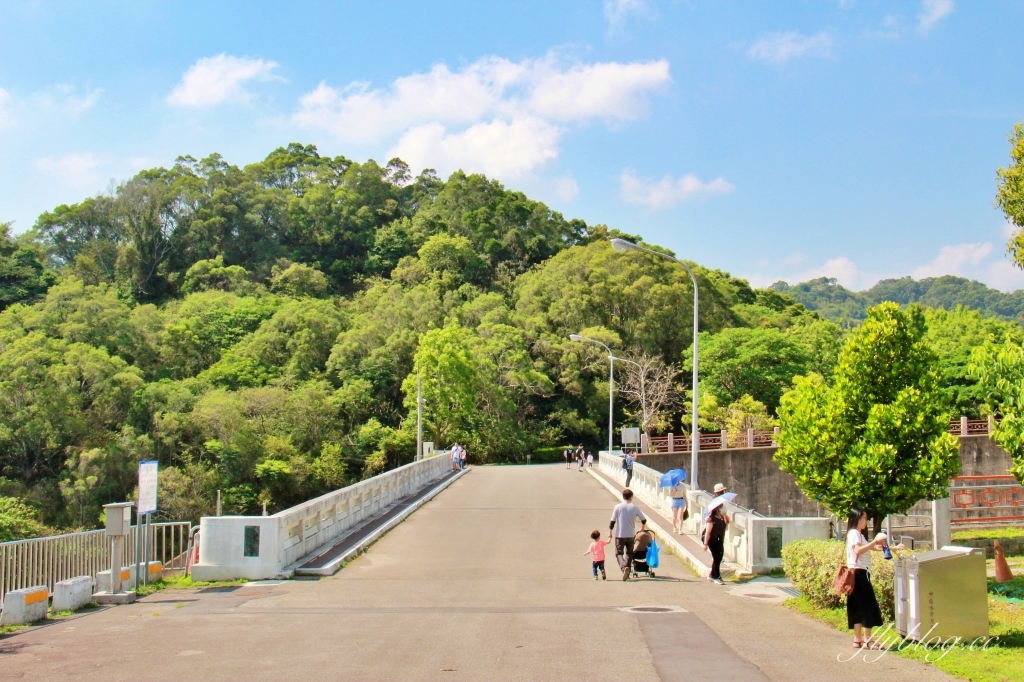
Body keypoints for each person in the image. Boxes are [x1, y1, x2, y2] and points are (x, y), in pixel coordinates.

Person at [846, 508, 903, 649]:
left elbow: (870, 548)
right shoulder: (855, 533)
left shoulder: (857, 534)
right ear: (857, 518)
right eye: (864, 518)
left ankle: (857, 640)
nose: (867, 521)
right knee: (867, 606)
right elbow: (858, 550)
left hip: (856, 573)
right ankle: (868, 640)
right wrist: (875, 541)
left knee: (857, 607)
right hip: (860, 573)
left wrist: (891, 548)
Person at [609, 488, 647, 581]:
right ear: (631, 497)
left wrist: (610, 532)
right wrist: (642, 528)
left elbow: (612, 521)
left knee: (618, 553)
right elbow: (644, 519)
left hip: (620, 534)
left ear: (623, 497)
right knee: (629, 554)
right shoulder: (634, 507)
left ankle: (623, 568)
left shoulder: (618, 507)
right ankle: (628, 571)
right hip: (630, 534)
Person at [702, 505, 727, 584]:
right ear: (716, 508)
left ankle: (712, 574)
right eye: (721, 507)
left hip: (719, 540)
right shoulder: (711, 519)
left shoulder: (722, 517)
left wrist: (725, 518)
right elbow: (708, 532)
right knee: (716, 558)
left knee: (719, 557)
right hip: (712, 540)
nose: (722, 508)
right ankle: (717, 576)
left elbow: (725, 527)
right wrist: (705, 544)